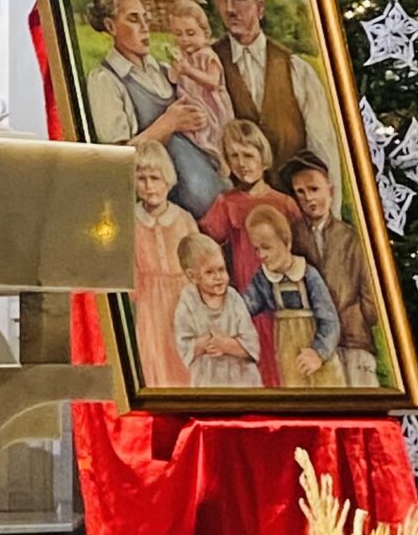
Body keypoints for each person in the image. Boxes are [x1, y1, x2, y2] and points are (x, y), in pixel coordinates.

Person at [83, 0, 226, 219]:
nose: (145, 27)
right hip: (168, 211)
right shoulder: (105, 80)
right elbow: (115, 161)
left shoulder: (162, 69)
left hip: (212, 190)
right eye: (133, 19)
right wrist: (168, 124)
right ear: (110, 26)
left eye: (145, 18)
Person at [206, 0, 342, 179]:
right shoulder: (207, 64)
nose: (230, 9)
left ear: (259, 7)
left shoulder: (295, 69)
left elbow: (323, 149)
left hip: (292, 197)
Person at [286, 148, 382, 388]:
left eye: (314, 189)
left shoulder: (351, 238)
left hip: (353, 341)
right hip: (314, 341)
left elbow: (370, 295)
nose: (308, 198)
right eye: (300, 192)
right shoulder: (294, 237)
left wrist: (356, 318)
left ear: (330, 190)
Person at [243, 204, 344, 389]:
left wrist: (318, 352)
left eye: (266, 247)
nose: (261, 255)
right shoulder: (262, 279)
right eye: (256, 249)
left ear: (287, 243)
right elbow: (245, 307)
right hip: (287, 354)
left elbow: (330, 320)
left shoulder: (308, 274)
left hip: (317, 353)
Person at [199, 119, 299, 293]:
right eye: (234, 156)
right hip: (247, 291)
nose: (242, 164)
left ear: (263, 158)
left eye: (248, 155)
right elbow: (204, 244)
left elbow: (302, 249)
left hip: (285, 289)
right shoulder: (226, 203)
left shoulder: (285, 203)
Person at [130, 142, 195, 391]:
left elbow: (199, 261)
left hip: (183, 299)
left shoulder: (184, 219)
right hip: (149, 304)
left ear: (167, 180)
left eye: (155, 178)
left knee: (183, 360)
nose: (149, 186)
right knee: (154, 358)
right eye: (142, 179)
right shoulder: (131, 222)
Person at [172, 232, 262, 388]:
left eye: (221, 269)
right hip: (208, 379)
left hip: (241, 378)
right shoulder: (188, 302)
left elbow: (252, 346)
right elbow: (184, 346)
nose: (218, 277)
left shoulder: (233, 299)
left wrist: (225, 345)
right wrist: (204, 344)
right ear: (193, 277)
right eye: (209, 272)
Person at [159, 0, 234, 167]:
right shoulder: (183, 56)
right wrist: (175, 69)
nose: (184, 39)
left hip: (212, 107)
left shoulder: (207, 56)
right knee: (196, 139)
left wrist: (189, 70)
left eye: (190, 33)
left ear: (205, 34)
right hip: (193, 105)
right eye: (178, 34)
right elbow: (173, 79)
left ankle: (222, 161)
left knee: (216, 137)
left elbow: (213, 82)